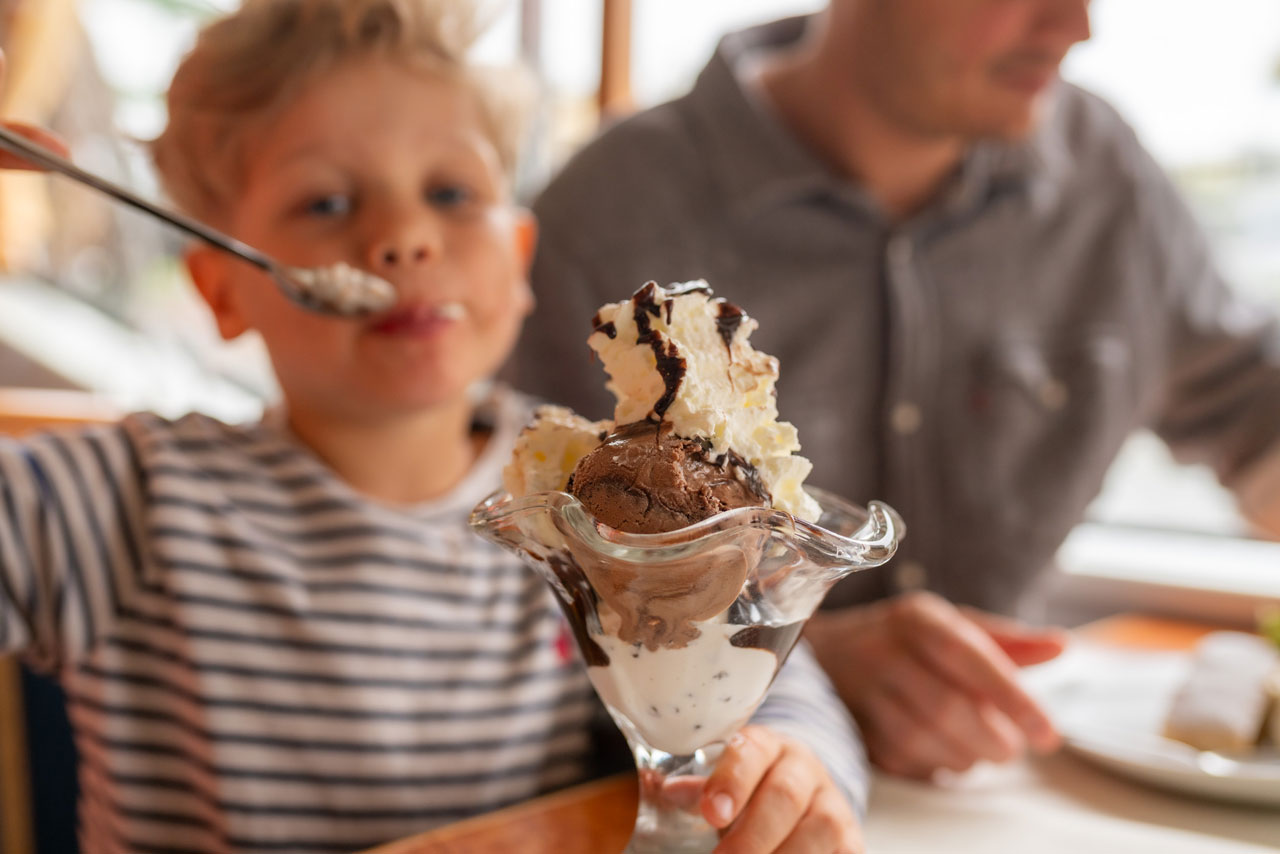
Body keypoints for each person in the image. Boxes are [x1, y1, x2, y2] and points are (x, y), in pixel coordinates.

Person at [0, 2, 869, 852]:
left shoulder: (589, 499)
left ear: (520, 258)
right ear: (221, 289)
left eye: (451, 192)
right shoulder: (118, 504)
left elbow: (770, 675)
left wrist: (790, 768)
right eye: (328, 205)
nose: (406, 235)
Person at [512, 0, 1280, 781]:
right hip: (699, 787)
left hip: (1015, 784)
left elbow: (1255, 413)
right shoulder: (610, 210)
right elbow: (482, 591)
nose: (1076, 26)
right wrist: (790, 661)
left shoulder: (1107, 180)